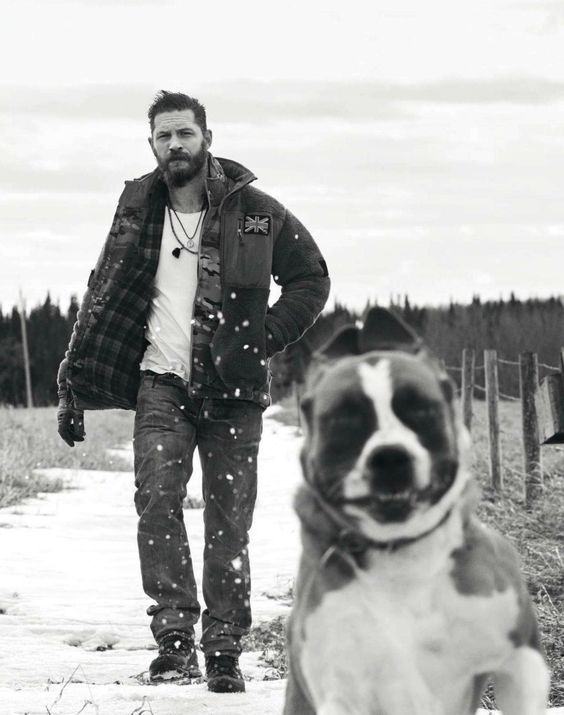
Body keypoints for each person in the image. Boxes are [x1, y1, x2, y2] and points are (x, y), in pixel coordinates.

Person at [56, 90, 330, 693]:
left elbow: (312, 278)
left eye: (184, 133)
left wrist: (265, 337)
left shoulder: (255, 211)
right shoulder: (136, 210)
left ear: (206, 136)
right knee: (157, 507)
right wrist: (71, 383)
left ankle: (225, 648)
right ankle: (175, 642)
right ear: (151, 144)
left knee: (229, 522)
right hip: (162, 384)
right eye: (163, 136)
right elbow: (101, 291)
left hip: (234, 389)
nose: (174, 145)